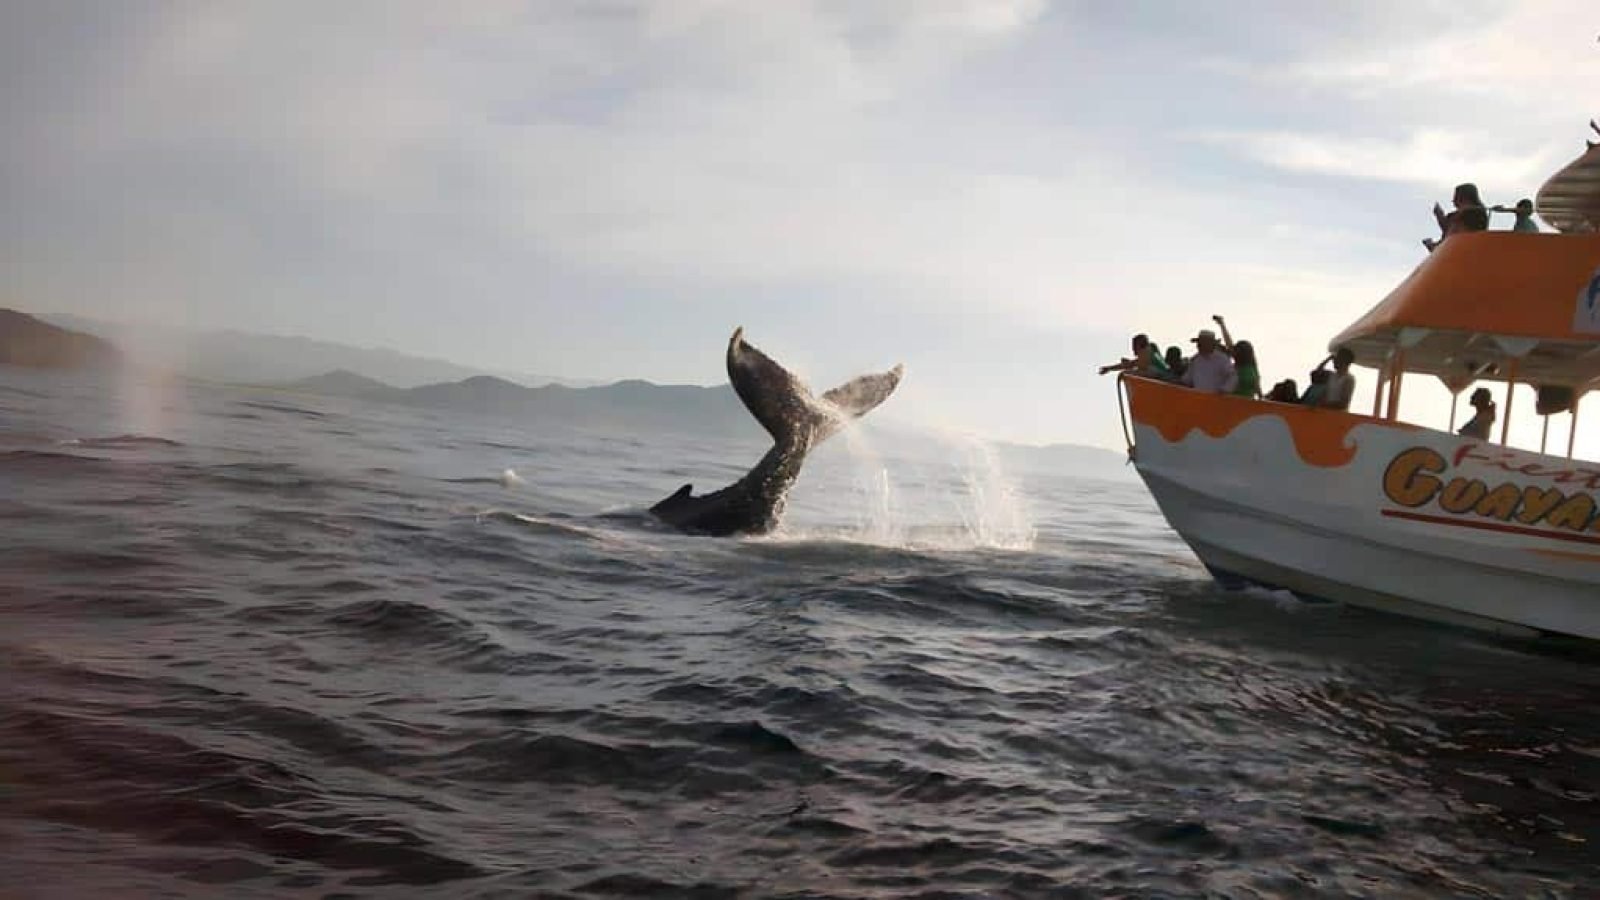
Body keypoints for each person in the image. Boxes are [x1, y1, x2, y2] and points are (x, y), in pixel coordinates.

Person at [1423, 183, 1489, 252]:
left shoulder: (1474, 213)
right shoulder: (1459, 215)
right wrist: (1439, 215)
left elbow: (1452, 229)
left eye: (1455, 197)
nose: (1453, 201)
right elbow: (1448, 229)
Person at [1210, 315, 1261, 399]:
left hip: (1233, 402)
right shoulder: (1253, 369)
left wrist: (1222, 325)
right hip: (1247, 404)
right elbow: (1258, 389)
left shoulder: (1237, 369)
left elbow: (1229, 345)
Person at [1180, 328, 1236, 394]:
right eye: (1198, 343)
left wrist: (1224, 390)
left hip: (1216, 400)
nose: (1198, 346)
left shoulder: (1222, 360)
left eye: (1201, 343)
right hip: (1198, 399)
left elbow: (1233, 377)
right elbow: (1187, 380)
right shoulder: (1195, 360)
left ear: (1210, 344)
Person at [1098, 333, 1170, 379]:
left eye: (1134, 346)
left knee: (1127, 374)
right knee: (1128, 372)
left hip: (1162, 376)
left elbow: (1138, 365)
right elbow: (1134, 364)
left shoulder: (1147, 349)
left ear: (1138, 345)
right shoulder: (1149, 353)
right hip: (1162, 375)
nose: (1133, 350)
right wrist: (1109, 368)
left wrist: (1129, 368)